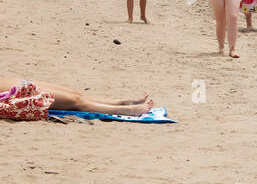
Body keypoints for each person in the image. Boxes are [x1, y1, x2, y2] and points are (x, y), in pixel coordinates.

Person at [0, 77, 155, 118]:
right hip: (9, 94)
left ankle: (121, 102)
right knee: (75, 102)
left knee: (76, 94)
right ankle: (127, 110)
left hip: (6, 83)